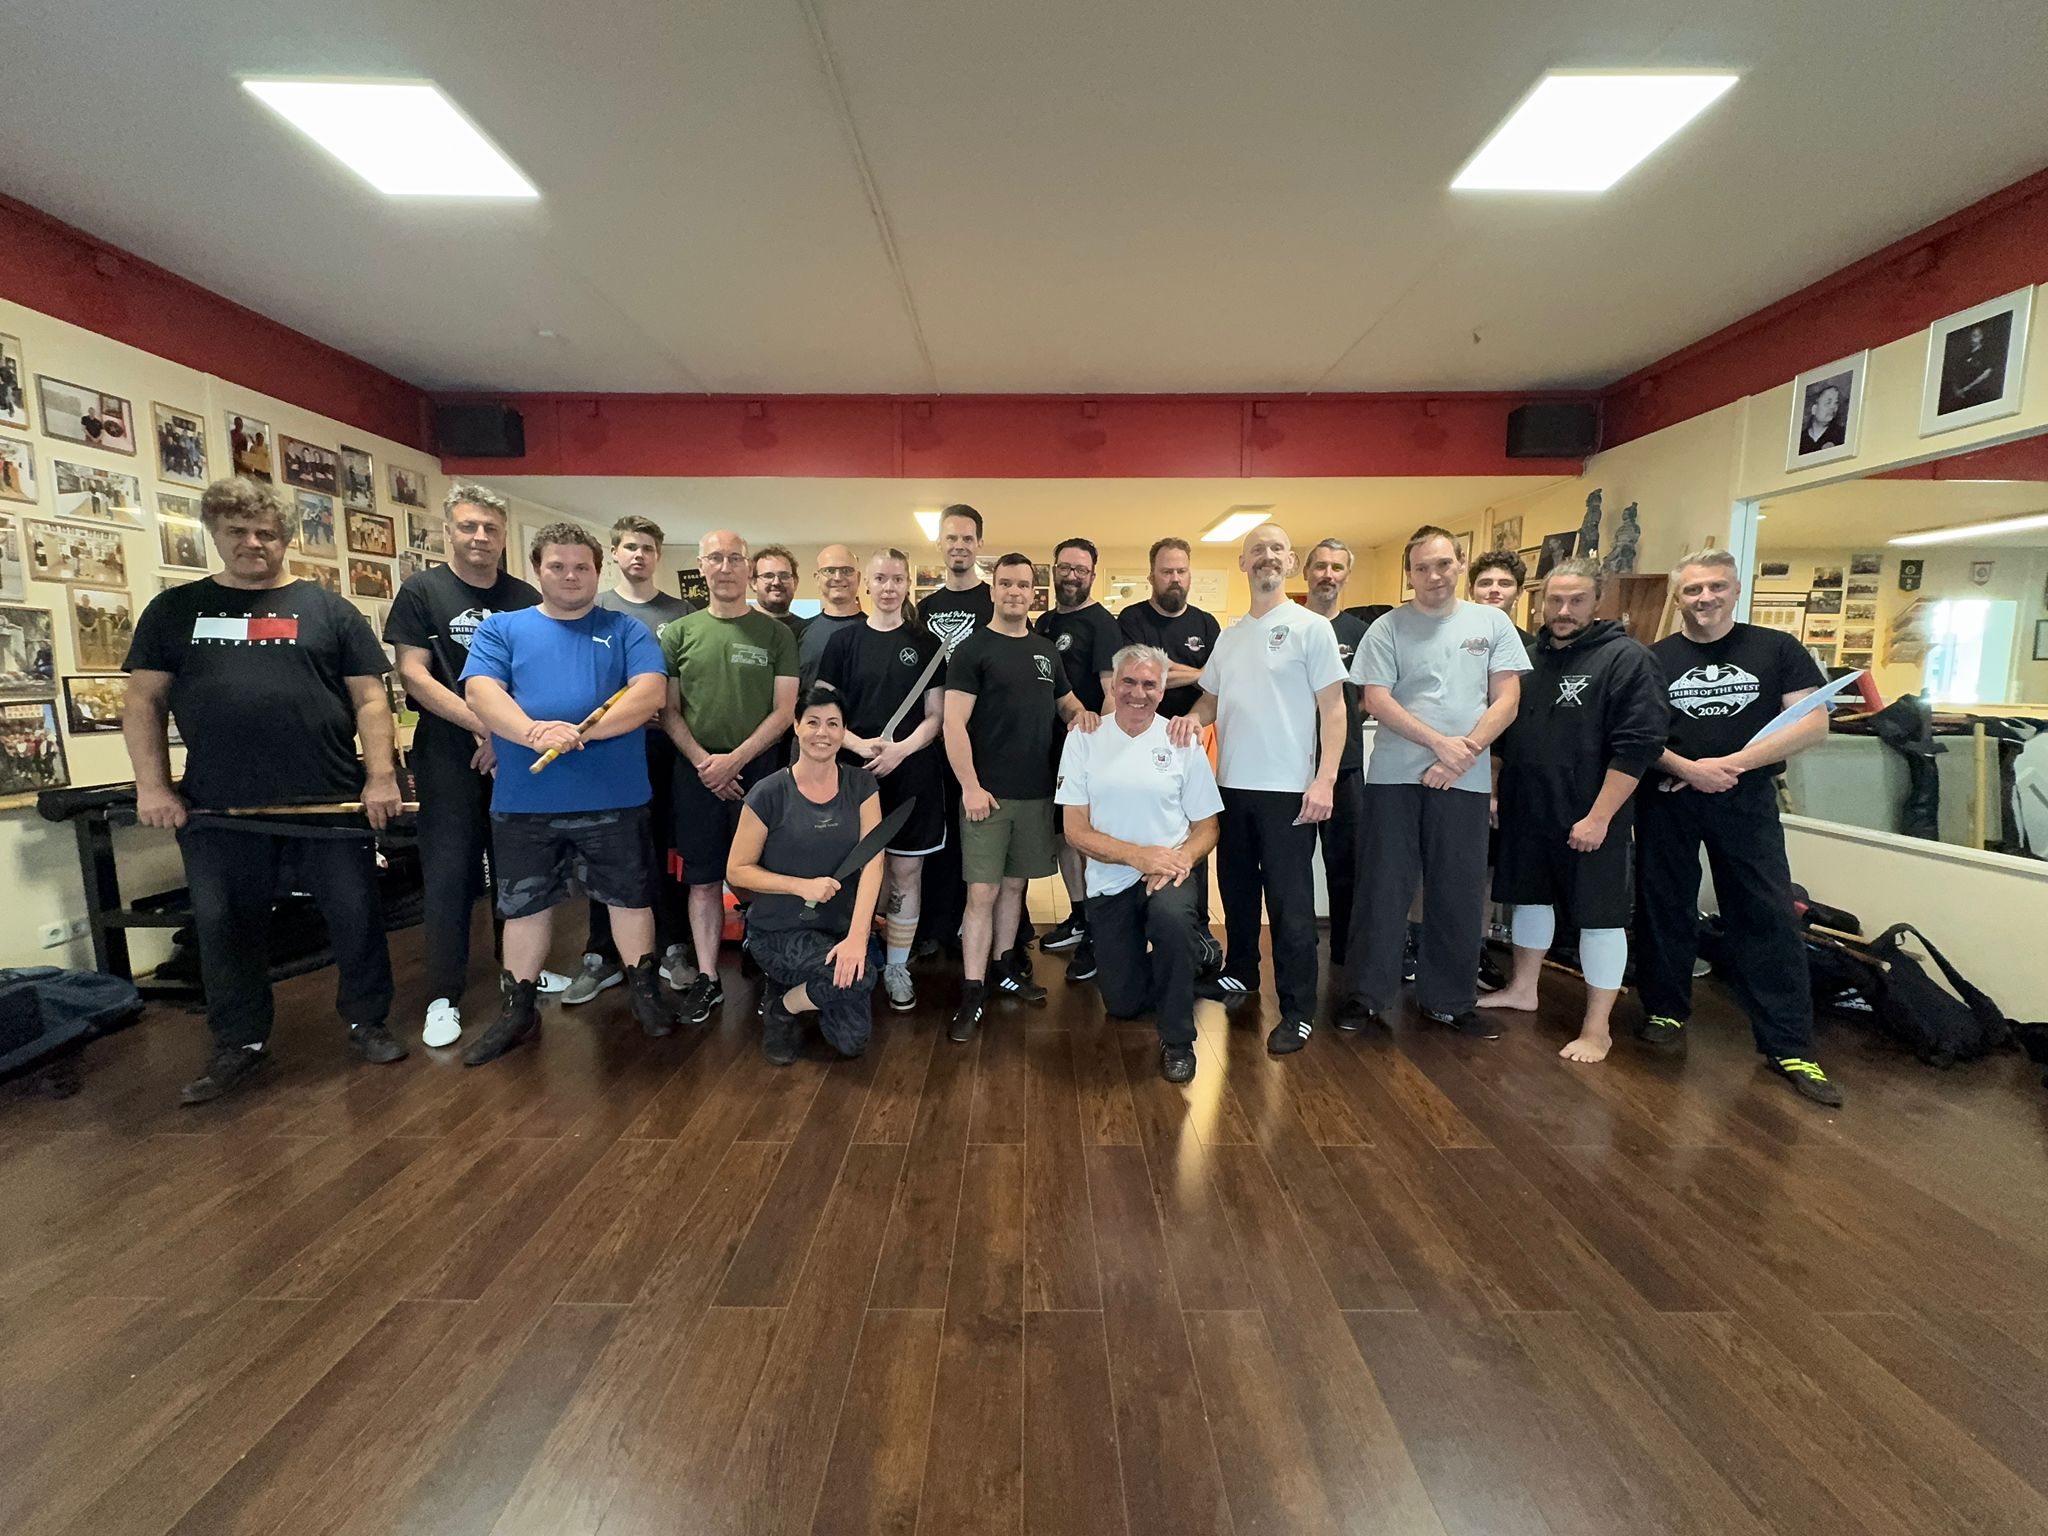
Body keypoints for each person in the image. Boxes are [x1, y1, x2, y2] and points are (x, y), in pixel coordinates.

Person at [123, 476, 405, 1104]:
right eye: (238, 532)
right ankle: (239, 1042)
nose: (253, 543)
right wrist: (152, 786)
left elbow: (370, 699)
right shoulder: (174, 610)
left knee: (356, 915)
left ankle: (368, 1021)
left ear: (285, 538)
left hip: (328, 798)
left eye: (266, 533)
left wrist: (380, 776)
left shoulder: (329, 610)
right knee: (225, 925)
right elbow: (143, 702)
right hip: (220, 805)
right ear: (214, 534)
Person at [1634, 548, 1845, 1106]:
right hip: (1668, 794)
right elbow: (1635, 733)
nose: (1705, 598)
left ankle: (1789, 1045)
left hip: (1745, 797)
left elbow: (1813, 724)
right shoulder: (1654, 658)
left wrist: (1730, 766)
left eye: (1716, 587)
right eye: (1693, 589)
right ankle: (1664, 1010)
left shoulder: (1777, 649)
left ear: (1735, 590)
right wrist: (1688, 770)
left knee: (1766, 913)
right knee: (1663, 905)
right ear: (1678, 596)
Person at [458, 523, 674, 1064]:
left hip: (615, 797)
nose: (570, 576)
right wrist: (535, 733)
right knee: (524, 908)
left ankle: (645, 994)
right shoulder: (501, 629)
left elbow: (651, 692)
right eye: (558, 566)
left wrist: (582, 732)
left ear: (598, 571)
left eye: (582, 567)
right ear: (538, 569)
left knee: (630, 899)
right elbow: (481, 693)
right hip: (525, 802)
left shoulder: (626, 629)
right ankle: (518, 1011)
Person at [384, 481, 561, 1048]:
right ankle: (443, 996)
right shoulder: (422, 591)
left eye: (490, 528)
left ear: (504, 535)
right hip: (448, 748)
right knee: (450, 873)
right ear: (448, 531)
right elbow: (413, 673)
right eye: (468, 526)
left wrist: (509, 734)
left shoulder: (524, 595)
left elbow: (538, 673)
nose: (480, 536)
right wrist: (483, 723)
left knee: (518, 866)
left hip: (515, 751)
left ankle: (520, 974)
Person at [1476, 558, 1667, 1062]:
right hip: (1528, 809)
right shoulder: (1525, 660)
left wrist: (1600, 817)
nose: (1564, 611)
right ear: (1540, 601)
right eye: (1555, 600)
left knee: (1600, 918)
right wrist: (1495, 791)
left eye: (1576, 600)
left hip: (1591, 815)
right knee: (1530, 902)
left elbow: (1638, 746)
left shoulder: (1627, 659)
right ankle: (1523, 989)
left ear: (1597, 601)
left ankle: (1597, 1027)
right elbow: (1503, 735)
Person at [1342, 526, 1529, 1039]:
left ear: (1460, 563)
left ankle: (1449, 1000)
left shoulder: (1491, 624)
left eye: (1443, 564)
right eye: (1422, 568)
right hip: (1395, 779)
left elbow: (1507, 700)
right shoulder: (1387, 628)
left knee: (1458, 891)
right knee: (1383, 888)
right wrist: (1440, 744)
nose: (1434, 576)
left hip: (1464, 782)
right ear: (1409, 574)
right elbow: (1376, 700)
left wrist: (1460, 755)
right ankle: (1367, 996)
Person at [1169, 524, 1346, 1054]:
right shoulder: (1230, 636)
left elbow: (1334, 710)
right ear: (1243, 564)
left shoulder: (1312, 628)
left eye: (1276, 549)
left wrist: (1325, 779)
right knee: (1239, 892)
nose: (1267, 556)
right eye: (1257, 551)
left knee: (1291, 906)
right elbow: (1211, 699)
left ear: (1289, 562)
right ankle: (1241, 971)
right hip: (1233, 787)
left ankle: (1297, 1009)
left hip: (1289, 790)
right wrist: (1191, 719)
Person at [943, 551, 1096, 1042]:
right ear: (993, 590)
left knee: (1014, 888)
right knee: (981, 893)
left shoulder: (1045, 650)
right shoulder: (972, 650)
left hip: (1035, 795)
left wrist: (1090, 718)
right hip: (986, 797)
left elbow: (1067, 705)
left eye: (1023, 585)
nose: (1014, 592)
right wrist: (970, 786)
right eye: (1005, 583)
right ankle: (972, 991)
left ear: (1034, 593)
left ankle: (1004, 968)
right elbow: (953, 723)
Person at [1059, 645, 1222, 1082]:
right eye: (1128, 682)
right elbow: (1075, 831)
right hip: (1111, 880)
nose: (1138, 692)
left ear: (1162, 690)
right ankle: (1189, 960)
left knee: (1171, 921)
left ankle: (1179, 1039)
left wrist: (1179, 859)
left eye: (1150, 684)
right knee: (1123, 1003)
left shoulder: (1181, 739)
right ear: (1113, 685)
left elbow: (1208, 827)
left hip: (1168, 874)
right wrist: (1138, 856)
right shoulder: (1084, 738)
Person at [659, 529, 800, 1024]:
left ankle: (770, 965)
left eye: (734, 558)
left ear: (748, 569)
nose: (725, 567)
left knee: (761, 876)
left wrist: (734, 761)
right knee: (702, 881)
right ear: (701, 566)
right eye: (715, 558)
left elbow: (785, 712)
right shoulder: (679, 633)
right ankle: (708, 978)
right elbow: (668, 711)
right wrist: (707, 763)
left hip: (760, 774)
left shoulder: (776, 635)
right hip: (695, 773)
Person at [557, 515, 698, 1005]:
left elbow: (684, 687)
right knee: (604, 852)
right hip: (606, 750)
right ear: (614, 554)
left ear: (658, 556)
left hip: (663, 748)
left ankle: (674, 947)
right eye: (630, 547)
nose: (639, 555)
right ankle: (601, 956)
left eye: (648, 548)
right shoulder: (594, 609)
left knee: (666, 849)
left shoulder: (682, 613)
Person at [728, 682, 886, 1064]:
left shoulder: (861, 785)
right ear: (796, 726)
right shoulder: (769, 793)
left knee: (852, 1042)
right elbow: (737, 870)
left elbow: (874, 861)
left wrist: (857, 938)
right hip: (779, 930)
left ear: (844, 732)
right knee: (860, 977)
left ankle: (791, 997)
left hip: (838, 928)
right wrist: (801, 886)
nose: (822, 733)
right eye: (812, 722)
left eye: (833, 724)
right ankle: (780, 1008)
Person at [818, 548, 946, 1012]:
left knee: (905, 873)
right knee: (852, 871)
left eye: (897, 579)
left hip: (912, 773)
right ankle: (854, 957)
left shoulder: (928, 643)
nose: (889, 587)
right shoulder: (843, 643)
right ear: (866, 584)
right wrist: (857, 745)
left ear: (908, 584)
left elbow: (936, 717)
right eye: (880, 578)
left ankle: (896, 966)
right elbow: (822, 714)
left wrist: (900, 750)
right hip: (852, 775)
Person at [1033, 535, 1122, 982]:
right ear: (1054, 570)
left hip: (1084, 750)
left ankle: (1100, 934)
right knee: (1065, 837)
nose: (1072, 576)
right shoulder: (1044, 622)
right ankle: (1080, 915)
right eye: (1065, 568)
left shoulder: (1102, 623)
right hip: (1045, 750)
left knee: (1087, 838)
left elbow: (1111, 692)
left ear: (1092, 575)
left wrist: (1098, 750)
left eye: (1081, 570)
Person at [915, 505, 994, 955]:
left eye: (967, 538)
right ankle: (938, 926)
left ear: (979, 543)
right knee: (942, 835)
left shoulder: (994, 602)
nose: (959, 546)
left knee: (985, 836)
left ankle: (995, 932)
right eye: (951, 538)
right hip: (936, 740)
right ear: (939, 544)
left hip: (986, 742)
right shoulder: (925, 609)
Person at [1301, 538, 1372, 980]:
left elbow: (1368, 696)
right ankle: (1298, 947)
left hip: (1344, 768)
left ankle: (1346, 954)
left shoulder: (1360, 634)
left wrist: (1339, 728)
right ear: (1306, 572)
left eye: (1337, 567)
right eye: (1321, 566)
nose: (1328, 574)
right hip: (1291, 767)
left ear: (1346, 575)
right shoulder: (1289, 626)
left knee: (1346, 864)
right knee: (1292, 869)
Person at [798, 543, 864, 687]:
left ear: (858, 578)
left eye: (846, 570)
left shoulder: (876, 631)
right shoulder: (800, 632)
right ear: (817, 578)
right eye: (829, 571)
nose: (838, 577)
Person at [750, 545, 805, 636]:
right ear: (754, 583)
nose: (776, 582)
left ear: (795, 583)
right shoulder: (741, 626)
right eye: (768, 576)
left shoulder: (806, 632)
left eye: (784, 576)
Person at [1800, 383, 1847, 454]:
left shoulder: (1841, 435)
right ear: (1814, 408)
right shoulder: (1800, 440)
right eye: (1828, 402)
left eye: (1836, 403)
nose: (1833, 407)